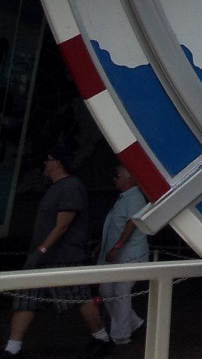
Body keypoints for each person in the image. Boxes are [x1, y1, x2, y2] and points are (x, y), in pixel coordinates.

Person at [4, 150, 115, 357]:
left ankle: (102, 339)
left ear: (57, 162)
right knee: (26, 299)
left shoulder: (71, 186)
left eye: (47, 160)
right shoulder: (58, 187)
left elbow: (62, 225)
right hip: (44, 257)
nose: (44, 164)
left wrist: (41, 250)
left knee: (80, 298)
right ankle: (12, 348)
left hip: (64, 257)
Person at [97, 164, 148, 345]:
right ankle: (132, 322)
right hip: (118, 254)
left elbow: (131, 224)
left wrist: (117, 247)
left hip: (131, 253)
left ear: (130, 179)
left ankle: (121, 335)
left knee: (121, 291)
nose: (115, 179)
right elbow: (114, 227)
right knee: (106, 290)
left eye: (118, 176)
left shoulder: (135, 197)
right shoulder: (124, 197)